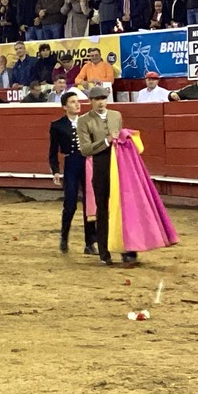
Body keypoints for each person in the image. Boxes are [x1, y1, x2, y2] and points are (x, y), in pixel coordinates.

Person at [77, 86, 135, 265]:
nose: (101, 102)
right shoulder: (84, 121)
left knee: (123, 208)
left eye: (103, 98)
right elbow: (85, 149)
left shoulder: (116, 115)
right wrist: (106, 141)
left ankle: (128, 250)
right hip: (100, 166)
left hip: (119, 166)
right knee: (102, 210)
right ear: (90, 101)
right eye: (97, 99)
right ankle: (104, 252)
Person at [49, 91, 97, 254]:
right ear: (64, 106)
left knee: (90, 204)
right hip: (71, 163)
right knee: (70, 204)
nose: (77, 104)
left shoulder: (87, 121)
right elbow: (53, 150)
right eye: (72, 102)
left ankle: (90, 243)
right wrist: (55, 171)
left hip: (88, 162)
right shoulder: (57, 125)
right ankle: (64, 237)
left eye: (78, 101)